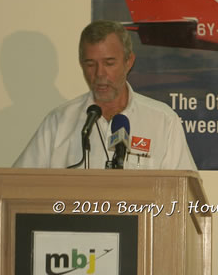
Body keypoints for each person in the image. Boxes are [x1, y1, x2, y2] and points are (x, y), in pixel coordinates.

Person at [13, 20, 197, 170]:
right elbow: (17, 185)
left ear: (128, 61)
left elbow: (185, 195)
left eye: (109, 63)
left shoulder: (162, 121)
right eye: (91, 64)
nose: (100, 74)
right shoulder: (59, 122)